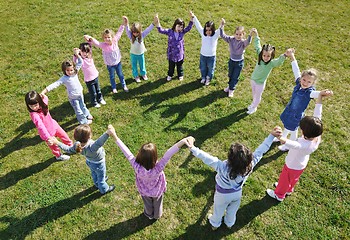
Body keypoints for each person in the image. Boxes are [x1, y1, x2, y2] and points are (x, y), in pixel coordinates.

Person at [185, 127, 283, 230]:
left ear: (230, 159)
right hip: (237, 193)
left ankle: (215, 223)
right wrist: (271, 136)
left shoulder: (222, 166)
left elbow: (206, 157)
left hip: (222, 195)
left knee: (218, 210)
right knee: (232, 210)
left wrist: (192, 147)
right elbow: (260, 151)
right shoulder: (249, 167)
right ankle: (229, 223)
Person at [108, 126, 192, 220]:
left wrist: (115, 136)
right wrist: (182, 142)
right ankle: (157, 215)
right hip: (157, 192)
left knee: (147, 204)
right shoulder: (158, 168)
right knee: (158, 203)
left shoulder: (137, 167)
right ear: (155, 157)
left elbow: (127, 153)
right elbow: (168, 154)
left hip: (144, 192)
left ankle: (149, 215)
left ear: (140, 156)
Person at [267, 90, 333, 201]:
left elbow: (291, 143)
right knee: (293, 179)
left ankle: (279, 195)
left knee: (285, 179)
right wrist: (320, 97)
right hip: (300, 166)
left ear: (303, 132)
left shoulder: (302, 144)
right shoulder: (317, 137)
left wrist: (280, 137)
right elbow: (318, 115)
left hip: (291, 165)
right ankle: (288, 189)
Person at [48, 124, 116, 195]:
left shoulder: (77, 145)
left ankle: (96, 184)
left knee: (94, 173)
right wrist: (108, 133)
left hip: (90, 162)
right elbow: (100, 141)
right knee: (101, 178)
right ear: (89, 136)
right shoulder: (92, 146)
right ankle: (104, 189)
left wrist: (57, 142)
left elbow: (67, 149)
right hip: (99, 164)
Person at [278, 50, 324, 151]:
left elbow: (316, 94)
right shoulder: (299, 84)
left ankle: (288, 145)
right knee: (287, 125)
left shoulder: (309, 92)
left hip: (295, 116)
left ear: (312, 83)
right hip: (289, 111)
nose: (305, 83)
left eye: (309, 82)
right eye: (304, 80)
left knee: (293, 130)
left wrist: (322, 93)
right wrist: (292, 57)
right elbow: (296, 70)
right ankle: (283, 137)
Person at [41, 48, 93, 125]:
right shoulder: (64, 78)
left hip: (80, 94)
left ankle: (87, 114)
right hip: (73, 98)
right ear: (64, 70)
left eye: (71, 70)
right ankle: (83, 122)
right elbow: (55, 84)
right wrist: (44, 91)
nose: (70, 72)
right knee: (78, 110)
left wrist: (77, 55)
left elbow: (81, 62)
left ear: (74, 69)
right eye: (67, 70)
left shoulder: (75, 72)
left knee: (83, 105)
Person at [84, 17, 128, 94]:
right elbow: (97, 43)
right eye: (105, 38)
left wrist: (123, 24)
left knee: (120, 75)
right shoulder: (103, 45)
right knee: (112, 76)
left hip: (118, 63)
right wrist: (90, 38)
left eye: (108, 37)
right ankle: (114, 87)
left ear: (112, 37)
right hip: (110, 65)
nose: (107, 39)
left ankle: (124, 85)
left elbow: (119, 32)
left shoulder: (115, 40)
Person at [25, 90, 72, 161]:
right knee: (54, 146)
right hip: (48, 133)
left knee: (65, 136)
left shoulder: (43, 104)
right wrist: (48, 137)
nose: (34, 108)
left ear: (39, 101)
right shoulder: (34, 115)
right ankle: (58, 156)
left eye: (35, 105)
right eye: (31, 106)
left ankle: (70, 146)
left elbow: (46, 99)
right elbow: (41, 126)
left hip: (54, 125)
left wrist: (43, 95)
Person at [154, 12, 194, 81]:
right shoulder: (170, 32)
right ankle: (170, 75)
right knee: (171, 66)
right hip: (171, 53)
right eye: (178, 26)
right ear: (175, 25)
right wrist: (157, 22)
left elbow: (189, 27)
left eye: (181, 27)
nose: (180, 28)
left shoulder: (182, 32)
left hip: (179, 54)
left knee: (179, 66)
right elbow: (161, 30)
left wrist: (191, 18)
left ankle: (180, 74)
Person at [220, 18, 253, 97]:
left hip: (239, 62)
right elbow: (222, 35)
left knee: (235, 76)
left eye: (240, 34)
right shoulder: (231, 39)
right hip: (231, 61)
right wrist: (222, 25)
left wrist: (250, 34)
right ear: (234, 34)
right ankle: (230, 86)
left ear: (243, 35)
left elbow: (248, 41)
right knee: (230, 75)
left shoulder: (243, 42)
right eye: (237, 34)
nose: (238, 36)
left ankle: (232, 89)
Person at [192, 12, 220, 86]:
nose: (208, 32)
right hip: (203, 55)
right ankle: (203, 77)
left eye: (210, 30)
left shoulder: (215, 35)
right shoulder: (202, 33)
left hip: (211, 56)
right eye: (206, 30)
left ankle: (208, 78)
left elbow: (220, 30)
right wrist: (193, 17)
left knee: (211, 68)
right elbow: (198, 25)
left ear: (213, 30)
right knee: (203, 67)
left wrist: (222, 24)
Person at [74, 42, 106, 108]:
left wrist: (89, 40)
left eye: (87, 52)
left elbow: (90, 46)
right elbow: (75, 61)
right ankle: (94, 102)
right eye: (83, 51)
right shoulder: (81, 61)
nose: (85, 53)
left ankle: (100, 99)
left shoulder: (90, 57)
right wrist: (76, 54)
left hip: (95, 77)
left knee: (98, 90)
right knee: (93, 93)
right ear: (80, 52)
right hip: (89, 80)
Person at [123, 16, 154, 82]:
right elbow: (127, 29)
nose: (135, 34)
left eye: (137, 32)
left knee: (142, 64)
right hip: (133, 54)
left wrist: (153, 23)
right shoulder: (130, 36)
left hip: (141, 54)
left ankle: (143, 74)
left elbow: (148, 30)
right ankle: (136, 76)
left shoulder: (142, 35)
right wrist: (126, 22)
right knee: (134, 66)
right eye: (134, 32)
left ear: (139, 31)